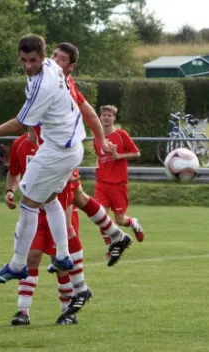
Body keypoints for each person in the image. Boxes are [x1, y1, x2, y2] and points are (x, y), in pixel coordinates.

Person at [0, 34, 118, 283]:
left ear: (42, 57)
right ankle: (63, 256)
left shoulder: (44, 84)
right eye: (23, 60)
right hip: (70, 148)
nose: (28, 65)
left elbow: (19, 125)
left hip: (57, 150)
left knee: (28, 200)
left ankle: (18, 264)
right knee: (50, 198)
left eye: (33, 60)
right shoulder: (51, 65)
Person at [48, 42, 133, 264]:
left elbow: (87, 112)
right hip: (68, 157)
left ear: (71, 66)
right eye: (53, 55)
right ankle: (115, 237)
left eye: (62, 58)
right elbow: (89, 113)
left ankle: (59, 258)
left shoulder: (62, 84)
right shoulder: (57, 81)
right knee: (76, 199)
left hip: (63, 153)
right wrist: (101, 139)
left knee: (43, 201)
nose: (55, 60)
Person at [5, 129, 92, 326]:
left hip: (59, 212)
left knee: (60, 264)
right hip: (34, 214)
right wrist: (10, 191)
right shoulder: (19, 144)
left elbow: (73, 182)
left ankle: (67, 311)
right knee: (31, 257)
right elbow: (13, 173)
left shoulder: (58, 143)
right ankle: (23, 311)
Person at [93, 105, 143, 253]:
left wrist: (119, 156)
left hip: (118, 184)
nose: (106, 117)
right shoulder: (97, 137)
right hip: (102, 183)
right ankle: (111, 246)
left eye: (109, 115)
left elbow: (136, 153)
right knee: (100, 217)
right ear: (100, 117)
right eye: (104, 115)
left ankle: (134, 223)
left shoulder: (121, 134)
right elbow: (100, 157)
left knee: (120, 220)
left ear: (114, 118)